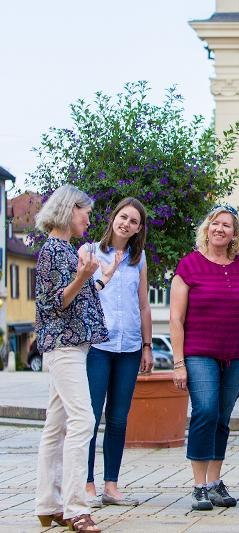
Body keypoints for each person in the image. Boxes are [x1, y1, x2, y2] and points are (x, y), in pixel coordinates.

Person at [170, 205, 239, 511]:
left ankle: (214, 482)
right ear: (207, 228)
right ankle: (198, 485)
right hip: (199, 353)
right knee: (206, 411)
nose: (220, 229)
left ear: (235, 234)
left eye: (227, 225)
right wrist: (178, 363)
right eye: (216, 223)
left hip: (238, 354)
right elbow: (176, 318)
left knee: (222, 417)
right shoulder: (189, 266)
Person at [34, 184, 108, 532]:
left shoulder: (65, 250)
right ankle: (76, 506)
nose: (88, 219)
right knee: (83, 421)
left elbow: (79, 299)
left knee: (57, 425)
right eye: (85, 212)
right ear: (69, 209)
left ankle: (48, 504)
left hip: (72, 345)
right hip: (63, 346)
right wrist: (83, 275)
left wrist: (97, 278)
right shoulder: (53, 250)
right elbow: (55, 303)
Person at [83, 198, 153, 508]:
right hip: (98, 347)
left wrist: (148, 346)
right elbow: (81, 296)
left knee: (119, 418)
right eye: (123, 217)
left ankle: (111, 485)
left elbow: (143, 304)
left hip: (129, 348)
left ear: (139, 229)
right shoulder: (89, 251)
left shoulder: (139, 259)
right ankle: (86, 484)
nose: (126, 223)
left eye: (134, 221)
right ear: (114, 218)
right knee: (90, 416)